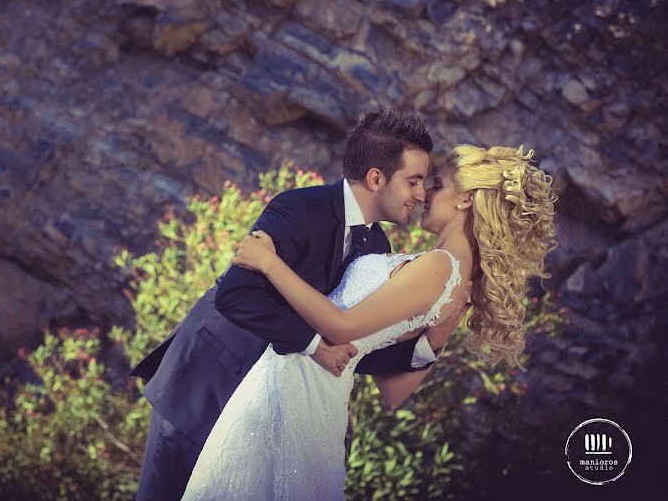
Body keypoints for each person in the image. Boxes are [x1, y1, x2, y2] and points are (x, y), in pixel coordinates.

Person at [180, 144, 557, 500]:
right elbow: (393, 392)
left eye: (437, 185)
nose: (424, 194)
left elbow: (340, 328)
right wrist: (433, 341)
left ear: (466, 199)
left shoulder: (439, 267)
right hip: (318, 397)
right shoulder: (457, 285)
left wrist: (268, 263)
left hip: (295, 385)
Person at [131, 110, 469, 500]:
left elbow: (353, 349)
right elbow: (236, 295)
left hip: (266, 410)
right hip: (208, 382)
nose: (421, 194)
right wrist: (314, 345)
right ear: (376, 178)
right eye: (413, 181)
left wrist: (431, 340)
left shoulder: (377, 248)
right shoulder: (298, 207)